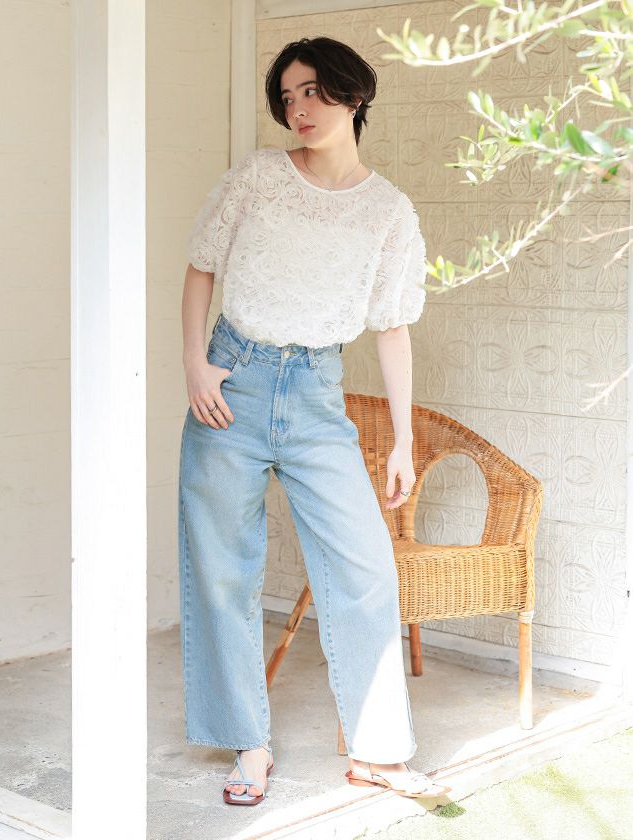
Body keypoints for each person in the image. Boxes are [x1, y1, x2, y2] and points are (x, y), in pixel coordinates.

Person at [178, 36, 450, 806]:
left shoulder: (388, 212)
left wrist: (401, 441)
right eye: (289, 96)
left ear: (353, 95)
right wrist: (194, 364)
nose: (299, 108)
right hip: (232, 380)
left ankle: (377, 752)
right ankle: (249, 745)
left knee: (365, 570)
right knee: (222, 570)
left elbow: (392, 327)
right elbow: (201, 268)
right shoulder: (258, 178)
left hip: (317, 394)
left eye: (314, 92)